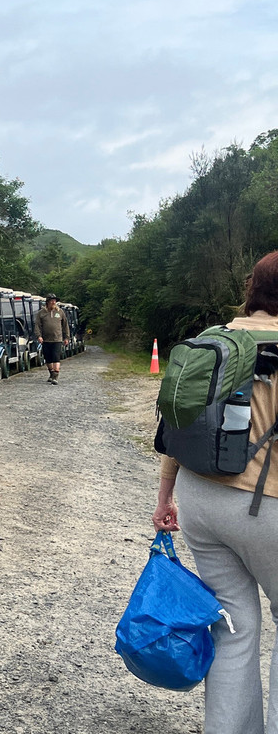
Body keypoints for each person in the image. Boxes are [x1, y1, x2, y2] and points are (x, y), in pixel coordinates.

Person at [153, 250, 278, 734]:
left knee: (233, 624)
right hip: (263, 505)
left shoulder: (212, 340)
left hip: (200, 499)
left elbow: (177, 428)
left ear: (253, 289)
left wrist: (165, 496)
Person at [34, 294, 69, 384]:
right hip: (46, 339)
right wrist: (39, 336)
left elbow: (65, 325)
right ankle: (51, 373)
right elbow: (37, 325)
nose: (53, 302)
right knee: (48, 358)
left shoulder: (60, 312)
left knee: (56, 357)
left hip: (57, 339)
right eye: (52, 300)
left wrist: (66, 337)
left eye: (55, 300)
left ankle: (55, 377)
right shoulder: (41, 313)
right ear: (47, 302)